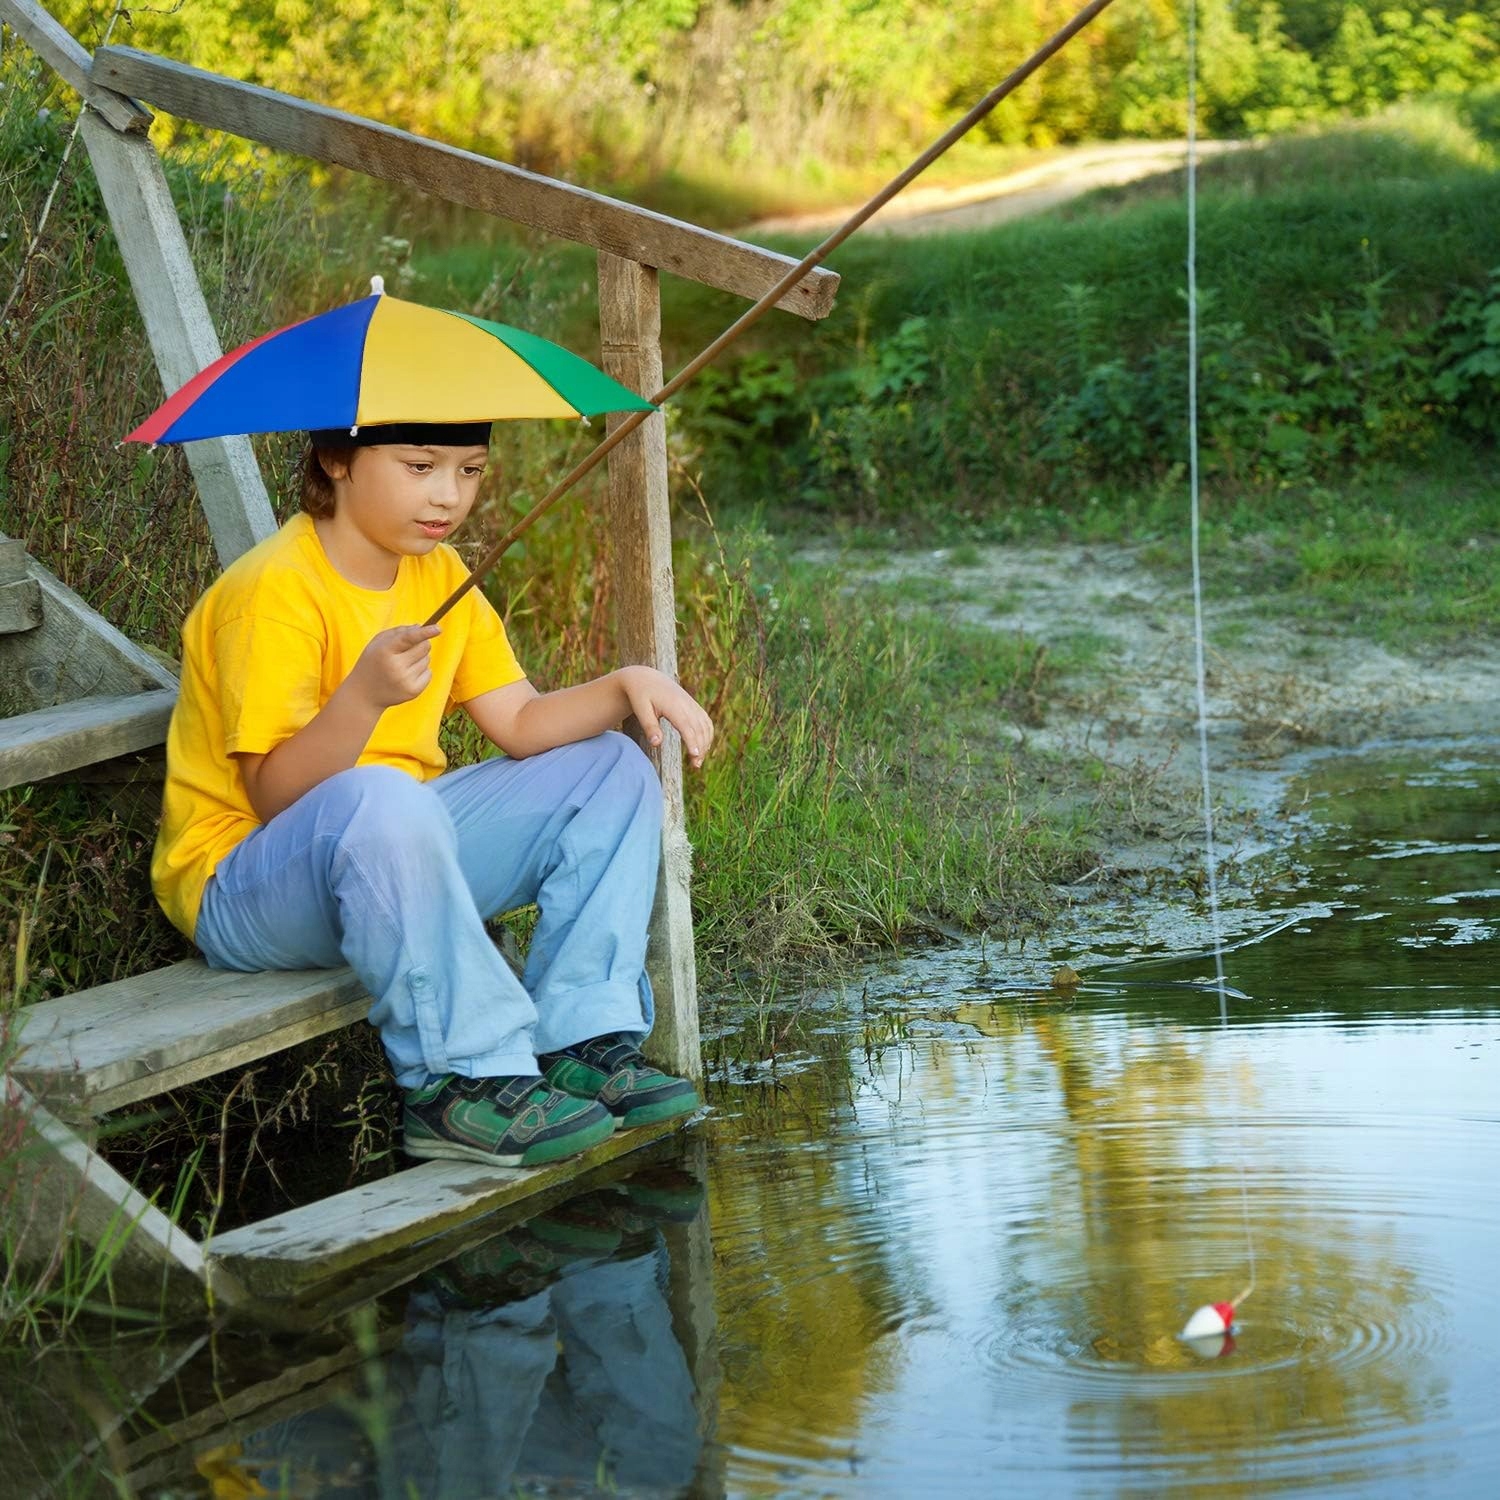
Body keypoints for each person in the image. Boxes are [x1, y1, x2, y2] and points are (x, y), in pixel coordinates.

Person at [151, 418, 712, 1168]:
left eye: (469, 470)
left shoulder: (441, 577)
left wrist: (625, 685)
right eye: (420, 466)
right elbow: (275, 798)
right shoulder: (272, 591)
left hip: (395, 853)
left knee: (609, 766)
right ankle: (457, 1082)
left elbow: (519, 723)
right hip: (250, 887)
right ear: (336, 459)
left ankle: (578, 1036)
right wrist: (362, 698)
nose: (449, 495)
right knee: (384, 796)